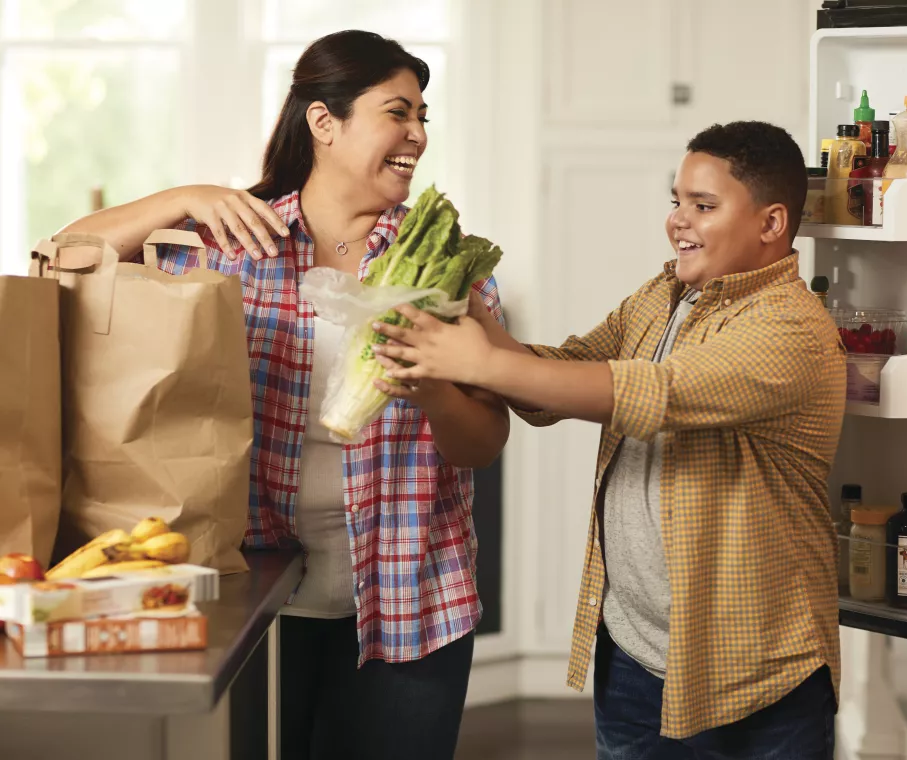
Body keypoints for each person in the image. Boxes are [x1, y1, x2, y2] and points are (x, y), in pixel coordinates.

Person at [60, 30, 508, 760]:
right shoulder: (233, 241)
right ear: (324, 122)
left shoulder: (450, 268)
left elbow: (483, 444)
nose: (419, 135)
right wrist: (181, 198)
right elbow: (63, 257)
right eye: (398, 113)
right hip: (253, 596)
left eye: (424, 117)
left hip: (413, 601)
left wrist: (430, 390)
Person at [370, 121, 845, 759]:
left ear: (771, 223)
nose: (678, 220)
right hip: (632, 656)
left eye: (704, 206)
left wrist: (477, 361)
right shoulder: (662, 297)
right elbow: (560, 377)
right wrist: (471, 316)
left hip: (752, 676)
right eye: (676, 200)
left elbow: (652, 393)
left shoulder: (792, 329)